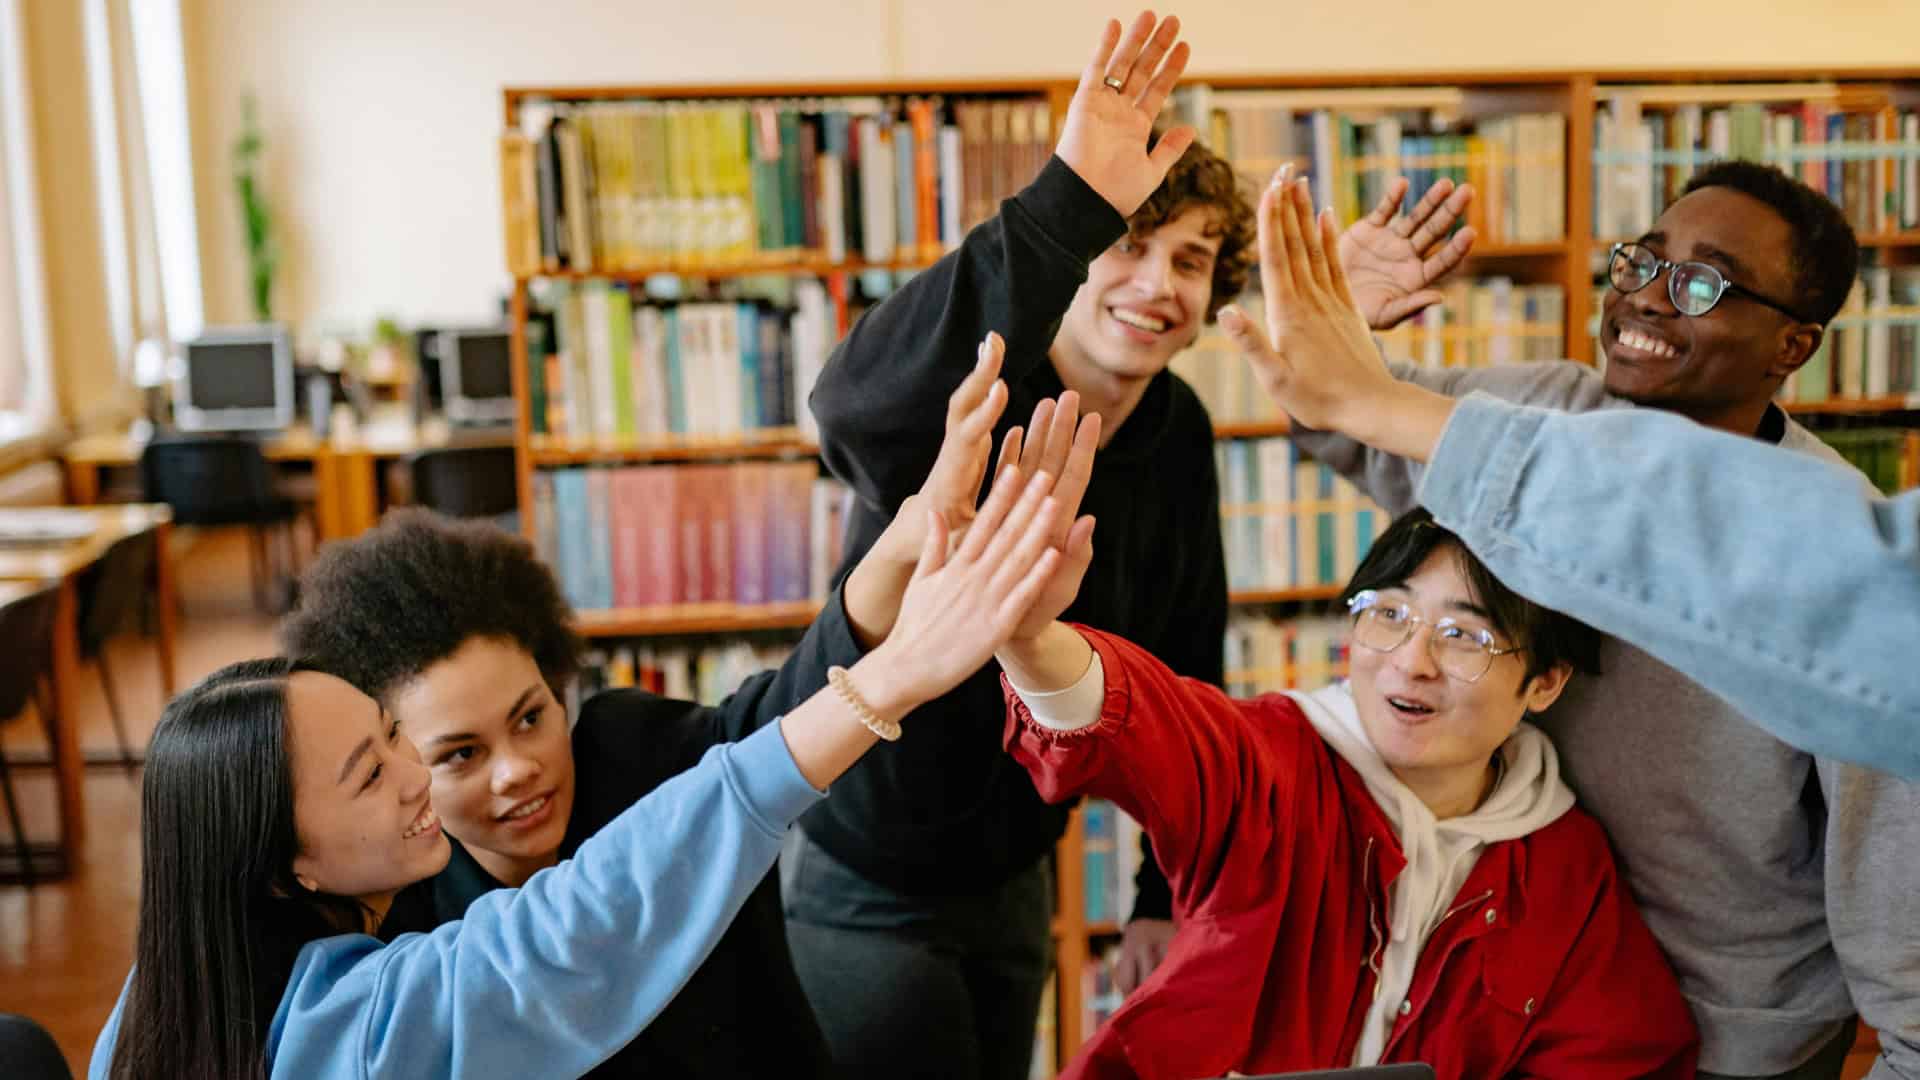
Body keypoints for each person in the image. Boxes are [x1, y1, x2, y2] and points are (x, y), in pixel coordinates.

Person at [796, 13, 1474, 1070]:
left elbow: (1182, 663)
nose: (1159, 284)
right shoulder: (970, 394)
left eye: (1193, 260)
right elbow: (846, 405)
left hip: (1016, 875)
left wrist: (1168, 895)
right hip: (863, 872)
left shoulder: (1176, 434)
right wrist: (1065, 203)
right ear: (1074, 257)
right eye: (1128, 244)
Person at [1223, 163, 1919, 1077]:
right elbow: (1362, 420)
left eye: (1701, 283)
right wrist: (1338, 326)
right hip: (1525, 979)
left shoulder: (1825, 550)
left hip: (1727, 1031)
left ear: (1791, 346)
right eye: (1642, 261)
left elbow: (1887, 864)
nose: (1647, 299)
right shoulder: (1551, 409)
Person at [89, 450, 1083, 1080]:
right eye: (430, 756)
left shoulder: (204, 960)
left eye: (531, 718)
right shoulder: (382, 993)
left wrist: (891, 573)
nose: (516, 771)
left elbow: (758, 726)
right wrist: (897, 674)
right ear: (287, 865)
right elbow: (574, 930)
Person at [988, 504, 1695, 1078]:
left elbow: (1620, 1055)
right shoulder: (1274, 758)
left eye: (1462, 635)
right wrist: (1031, 640)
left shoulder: (1563, 861)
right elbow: (1150, 720)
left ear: (1545, 683)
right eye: (1388, 613)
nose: (1410, 663)